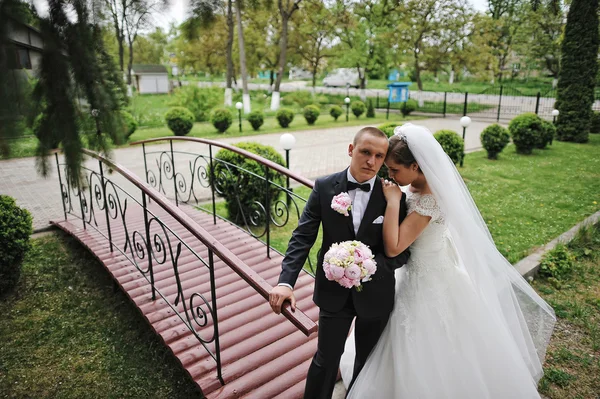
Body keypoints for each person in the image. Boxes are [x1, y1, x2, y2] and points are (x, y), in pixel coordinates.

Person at [340, 123, 556, 398]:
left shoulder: (429, 201)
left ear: (416, 166)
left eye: (395, 170)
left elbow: (394, 248)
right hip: (422, 271)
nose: (390, 175)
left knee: (432, 345)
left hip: (428, 281)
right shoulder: (416, 187)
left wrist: (393, 202)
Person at [269, 127, 410, 399]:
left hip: (377, 294)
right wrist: (285, 282)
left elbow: (404, 252)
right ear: (350, 150)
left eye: (379, 156)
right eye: (365, 152)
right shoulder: (324, 187)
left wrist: (370, 267)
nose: (371, 161)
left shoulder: (394, 197)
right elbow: (302, 237)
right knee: (326, 360)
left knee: (367, 365)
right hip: (333, 293)